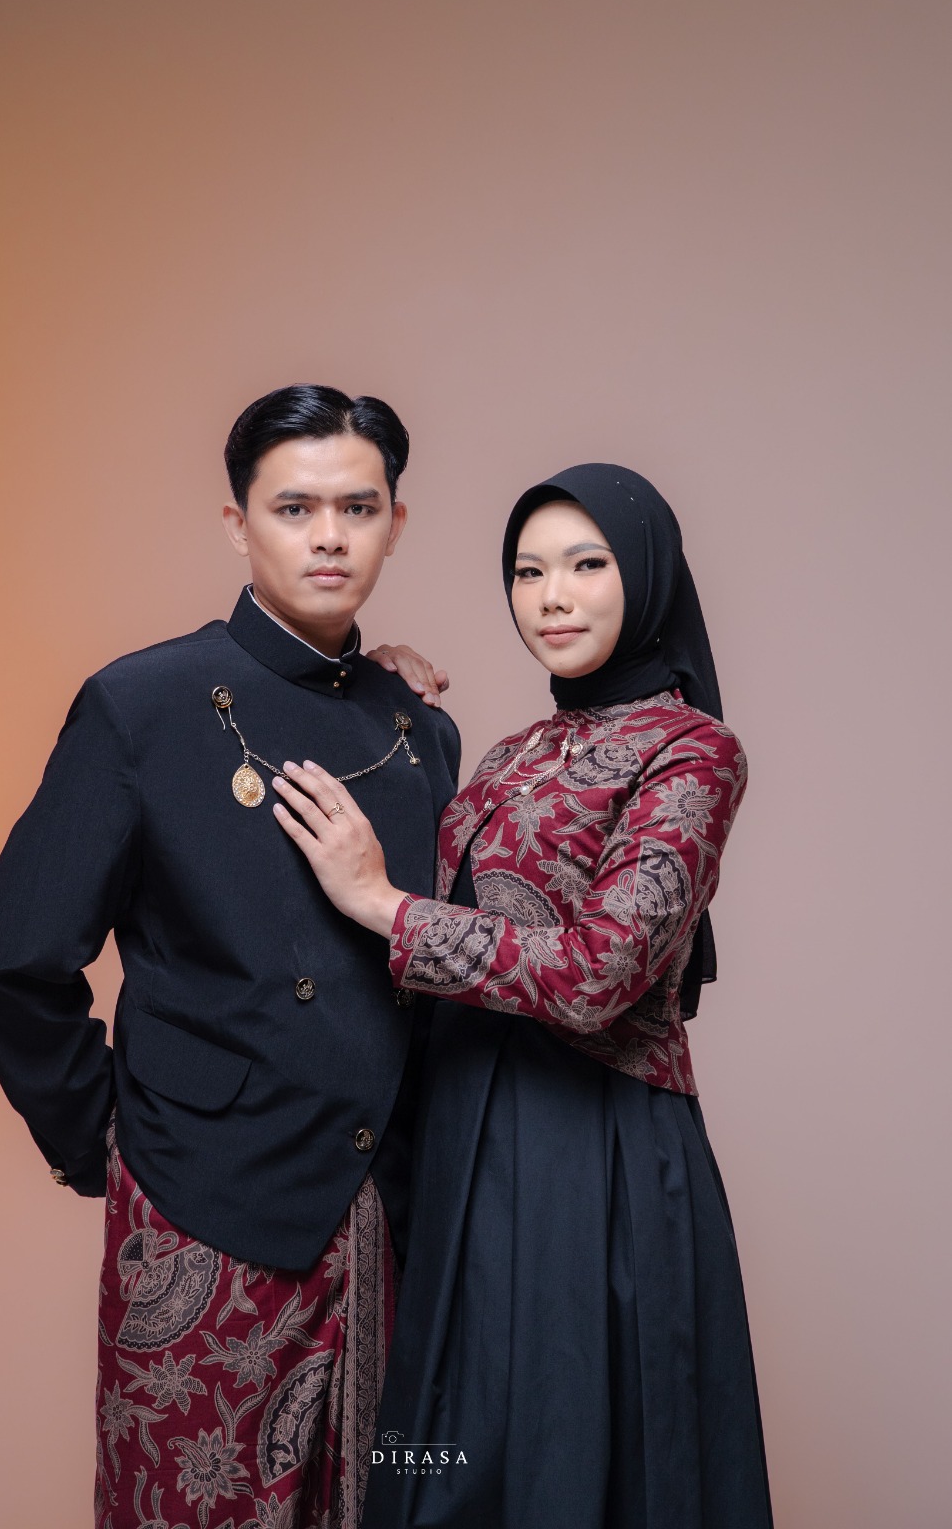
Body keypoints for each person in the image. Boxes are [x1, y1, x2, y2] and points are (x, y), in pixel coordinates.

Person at [0, 384, 461, 1529]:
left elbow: (430, 976)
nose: (329, 536)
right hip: (205, 1212)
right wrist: (111, 1144)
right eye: (293, 508)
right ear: (237, 524)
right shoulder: (140, 705)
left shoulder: (420, 729)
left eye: (357, 508)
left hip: (388, 1223)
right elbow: (9, 960)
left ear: (395, 524)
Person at [270, 463, 774, 1528]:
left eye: (586, 565)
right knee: (449, 1457)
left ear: (646, 576)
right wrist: (377, 691)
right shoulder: (507, 754)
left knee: (568, 1455)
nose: (552, 597)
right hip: (461, 1138)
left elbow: (598, 972)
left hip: (590, 1155)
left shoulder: (694, 752)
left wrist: (383, 905)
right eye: (528, 571)